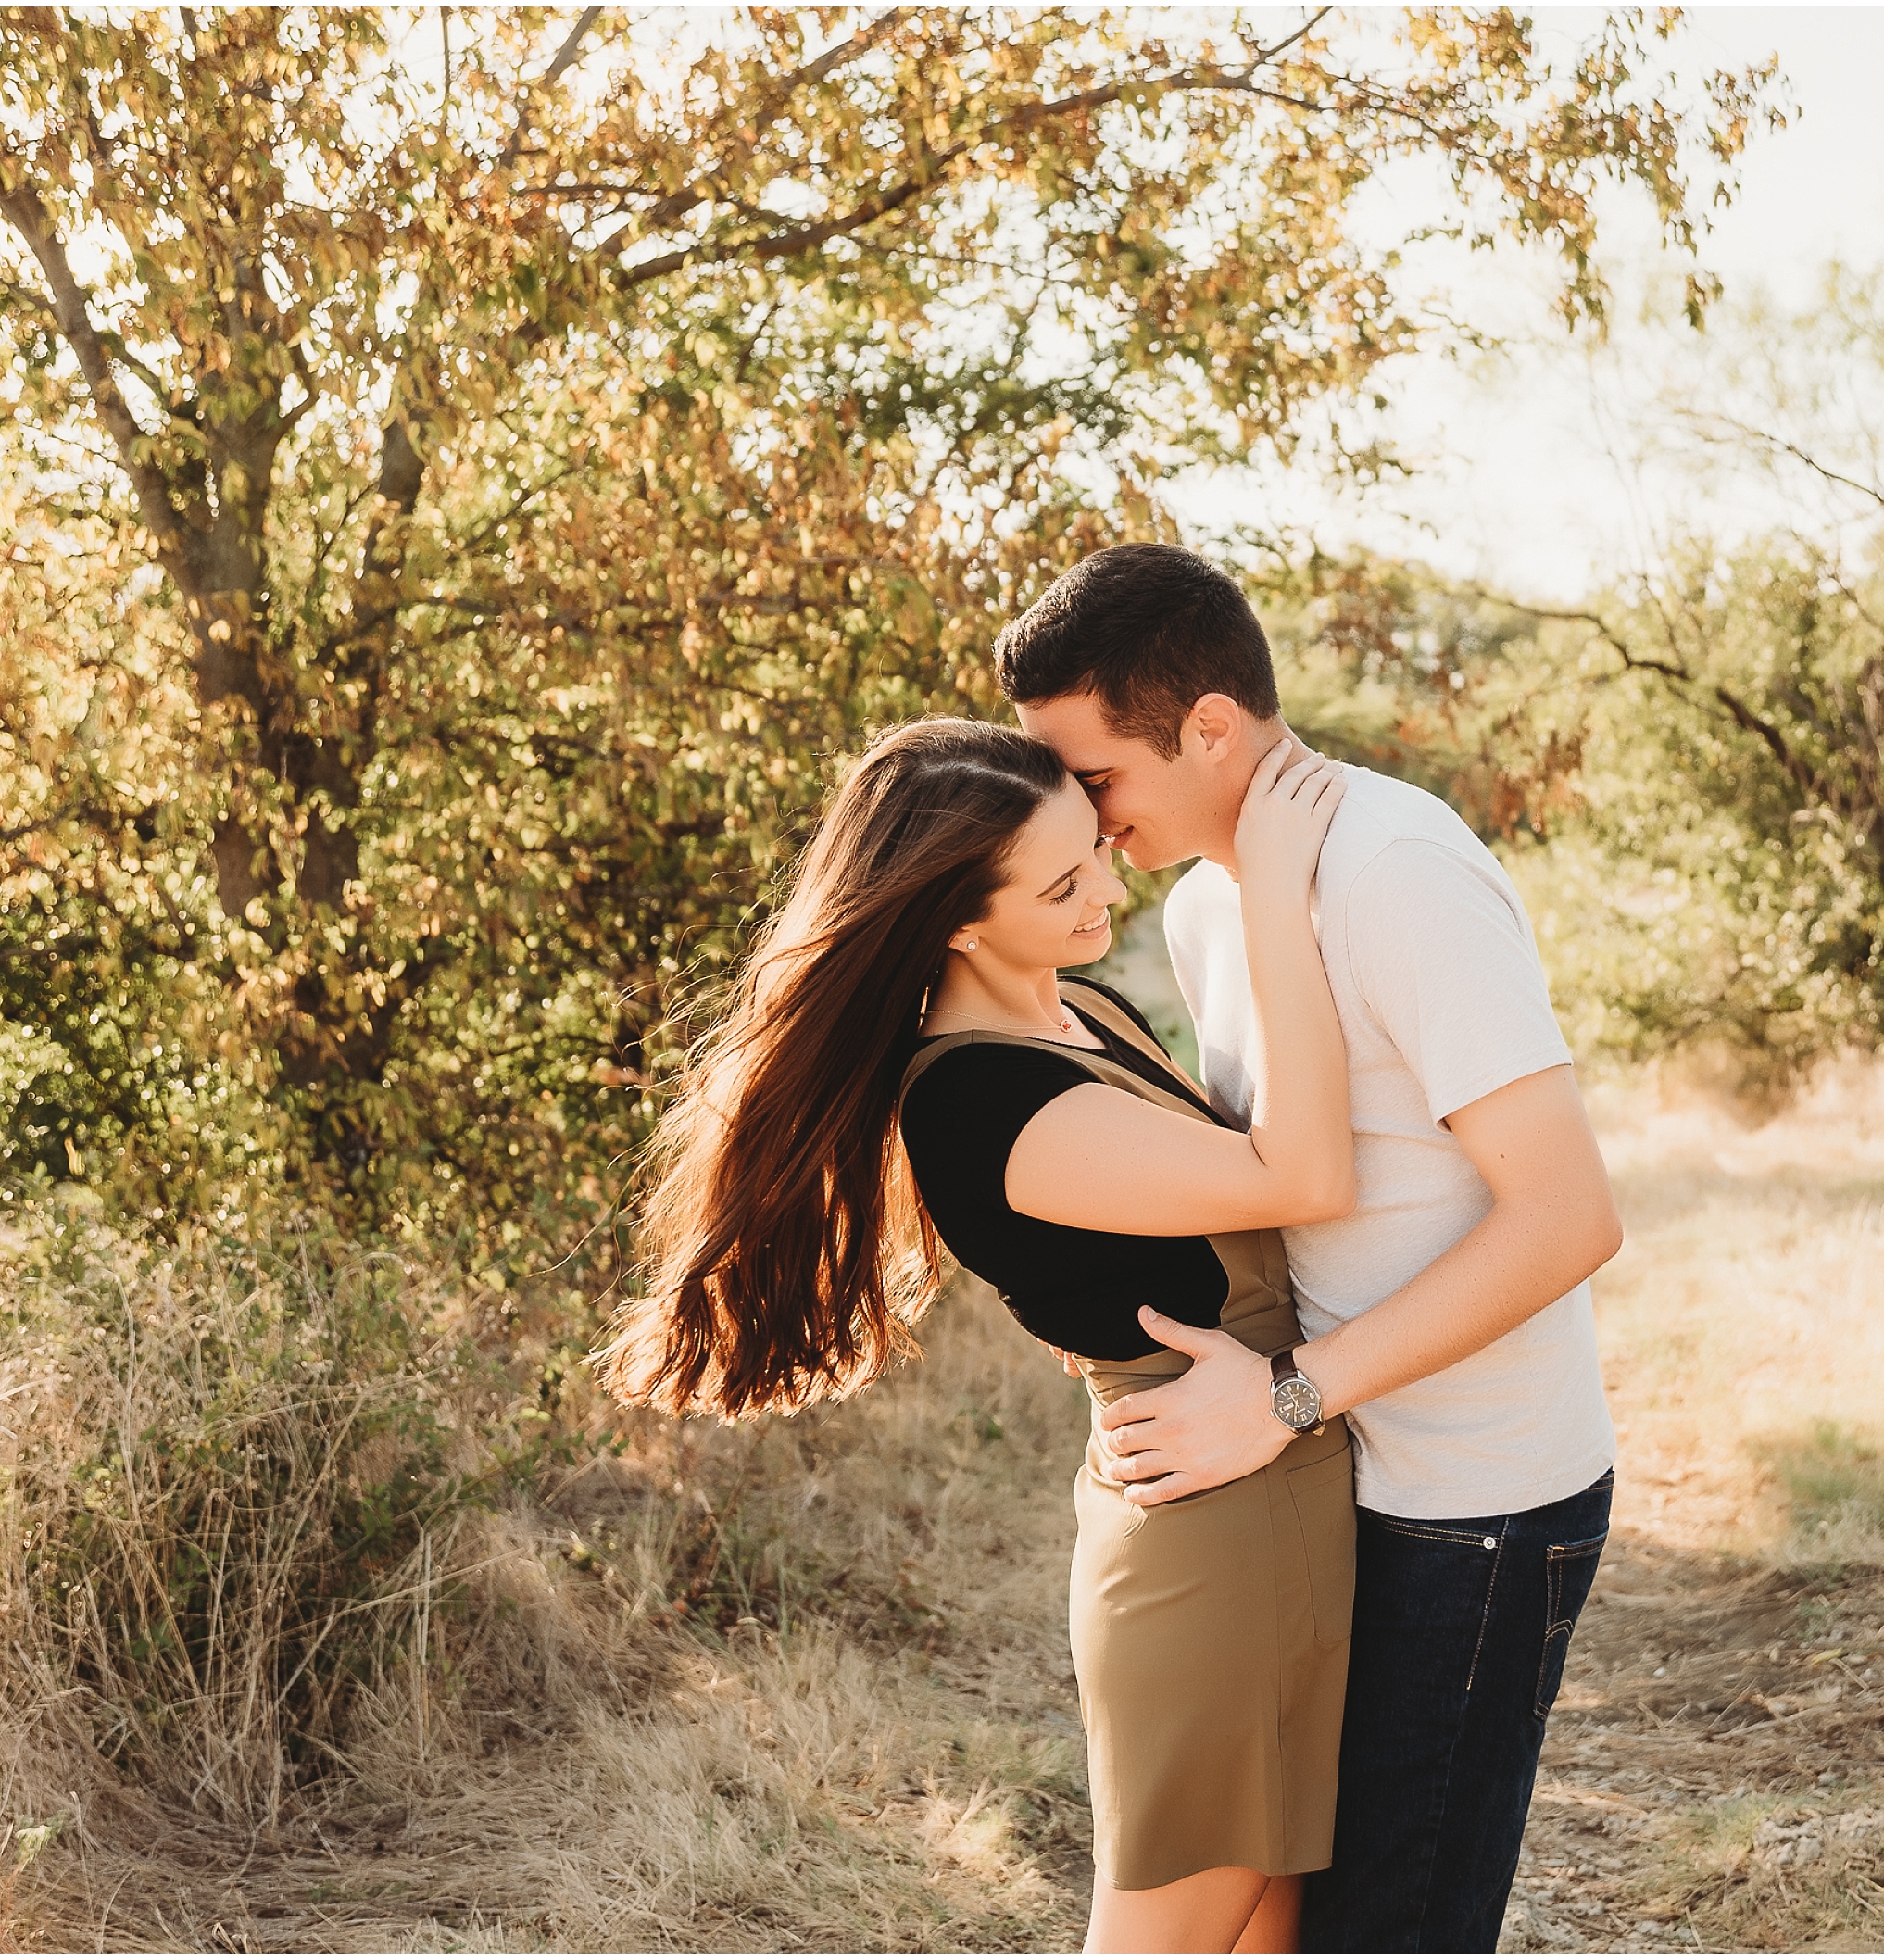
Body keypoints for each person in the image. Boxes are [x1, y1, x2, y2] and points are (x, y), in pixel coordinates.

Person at [598, 716, 1361, 1954]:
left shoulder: (1090, 1014)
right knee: (1174, 1931)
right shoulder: (975, 1099)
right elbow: (1304, 1175)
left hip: (1266, 1492)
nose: (1107, 889)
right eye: (1061, 885)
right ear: (955, 917)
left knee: (1269, 1928)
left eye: (1099, 854)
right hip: (1209, 1543)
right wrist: (1269, 886)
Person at [999, 543, 1626, 1954]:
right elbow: (1272, 1178)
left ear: (1209, 728)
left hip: (1471, 1501)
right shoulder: (1222, 901)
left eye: (1094, 778)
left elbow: (1569, 1215)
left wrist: (1285, 1395)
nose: (1079, 826)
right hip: (1329, 1478)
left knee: (1387, 1934)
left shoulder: (1395, 870)